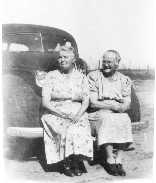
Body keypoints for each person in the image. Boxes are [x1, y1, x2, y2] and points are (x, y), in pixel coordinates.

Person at [37, 42, 93, 177]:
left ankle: (76, 160)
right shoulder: (50, 76)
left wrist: (78, 115)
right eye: (60, 57)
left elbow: (86, 101)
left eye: (65, 57)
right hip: (54, 111)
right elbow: (45, 102)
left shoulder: (81, 77)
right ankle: (66, 162)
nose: (62, 60)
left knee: (80, 127)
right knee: (65, 129)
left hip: (76, 112)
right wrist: (61, 114)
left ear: (74, 60)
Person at [87, 50, 133, 176]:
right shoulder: (94, 76)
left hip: (117, 112)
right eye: (104, 61)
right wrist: (112, 105)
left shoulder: (124, 80)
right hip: (97, 112)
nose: (106, 65)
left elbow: (127, 102)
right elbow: (93, 102)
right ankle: (109, 158)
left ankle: (118, 159)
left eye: (110, 62)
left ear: (117, 64)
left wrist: (122, 107)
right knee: (107, 118)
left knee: (125, 119)